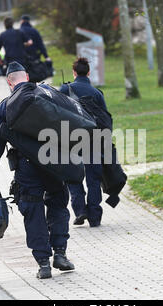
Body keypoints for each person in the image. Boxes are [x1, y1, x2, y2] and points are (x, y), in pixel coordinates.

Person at [0, 62, 75, 279]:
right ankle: (60, 253)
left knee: (33, 210)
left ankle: (43, 263)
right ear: (26, 76)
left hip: (26, 167)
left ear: (9, 81)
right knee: (58, 202)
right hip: (53, 162)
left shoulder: (6, 106)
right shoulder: (47, 94)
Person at [59, 58, 108, 228]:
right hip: (93, 139)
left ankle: (80, 210)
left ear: (73, 73)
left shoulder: (65, 89)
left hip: (70, 139)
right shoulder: (96, 93)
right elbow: (105, 119)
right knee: (93, 178)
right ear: (88, 73)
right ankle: (95, 216)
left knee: (73, 176)